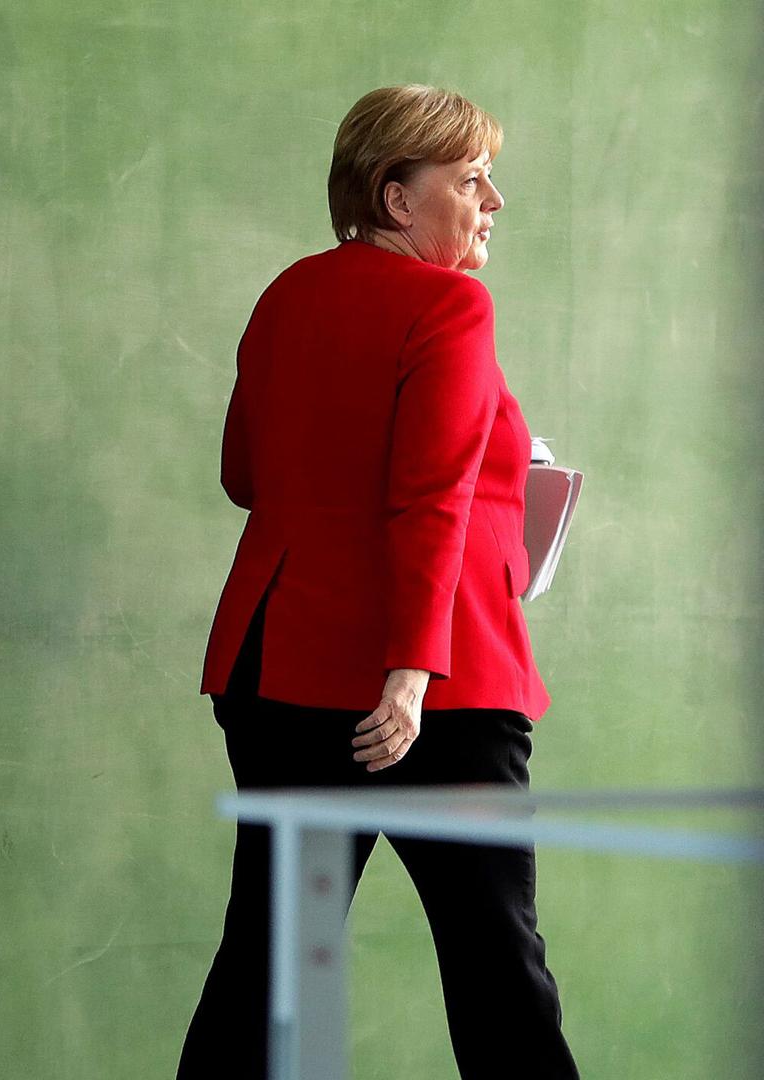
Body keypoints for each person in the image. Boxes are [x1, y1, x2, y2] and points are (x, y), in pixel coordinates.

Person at [175, 85, 581, 1079]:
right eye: (472, 179)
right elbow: (432, 495)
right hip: (431, 683)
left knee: (266, 960)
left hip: (274, 664)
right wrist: (408, 677)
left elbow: (243, 476)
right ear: (398, 200)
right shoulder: (450, 303)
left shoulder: (286, 296)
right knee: (497, 968)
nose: (494, 199)